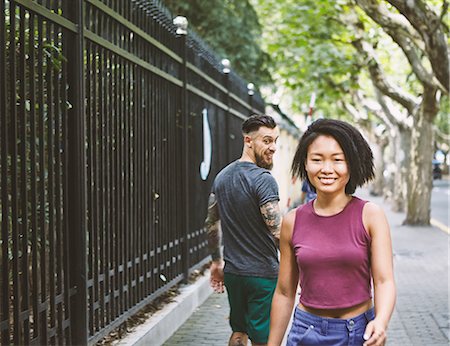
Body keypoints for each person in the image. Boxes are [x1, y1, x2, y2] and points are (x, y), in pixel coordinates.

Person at [268, 119, 396, 346]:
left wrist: (381, 322)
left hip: (359, 333)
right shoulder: (292, 221)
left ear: (352, 164)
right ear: (305, 164)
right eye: (317, 160)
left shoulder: (370, 215)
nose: (327, 169)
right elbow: (285, 292)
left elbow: (384, 281)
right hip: (306, 331)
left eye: (338, 160)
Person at [204, 114, 282, 346]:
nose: (273, 148)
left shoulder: (222, 177)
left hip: (234, 273)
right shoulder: (264, 179)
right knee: (263, 339)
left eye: (275, 141)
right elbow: (277, 231)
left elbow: (210, 223)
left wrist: (217, 263)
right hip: (263, 275)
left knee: (239, 331)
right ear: (248, 140)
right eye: (266, 141)